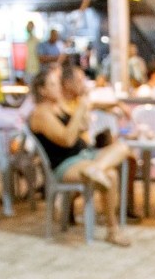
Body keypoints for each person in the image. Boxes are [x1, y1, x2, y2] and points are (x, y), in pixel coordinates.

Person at [29, 65, 131, 245]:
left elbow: (82, 127)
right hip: (65, 164)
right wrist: (81, 108)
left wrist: (83, 106)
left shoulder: (59, 107)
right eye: (53, 84)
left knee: (122, 147)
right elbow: (67, 140)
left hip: (84, 157)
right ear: (42, 90)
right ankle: (112, 230)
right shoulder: (41, 113)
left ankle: (96, 169)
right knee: (111, 175)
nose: (59, 87)